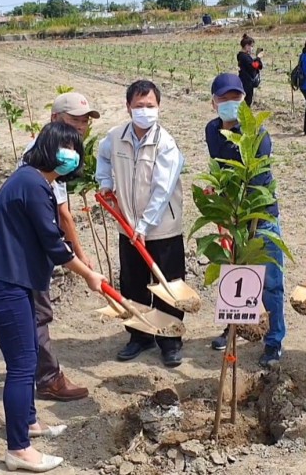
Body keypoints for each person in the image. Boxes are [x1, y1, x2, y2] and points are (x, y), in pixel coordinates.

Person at [0, 123, 107, 472]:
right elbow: (54, 245)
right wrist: (90, 274)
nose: (71, 154)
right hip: (2, 284)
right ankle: (18, 448)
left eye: (76, 148)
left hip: (11, 279)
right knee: (21, 364)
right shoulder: (32, 183)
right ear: (47, 147)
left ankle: (29, 422)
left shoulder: (31, 180)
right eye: (66, 146)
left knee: (28, 351)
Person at [96, 80, 186, 367]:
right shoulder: (115, 137)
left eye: (150, 106)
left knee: (168, 285)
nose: (145, 111)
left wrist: (145, 226)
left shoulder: (166, 144)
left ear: (159, 108)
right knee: (133, 283)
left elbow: (162, 190)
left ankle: (170, 340)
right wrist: (106, 183)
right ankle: (139, 336)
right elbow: (103, 157)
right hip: (128, 226)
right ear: (128, 108)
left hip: (162, 228)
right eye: (139, 106)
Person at [21, 93, 99, 402]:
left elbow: (63, 212)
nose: (81, 127)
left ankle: (35, 372)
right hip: (28, 253)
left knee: (36, 313)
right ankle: (48, 379)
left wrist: (80, 255)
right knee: (37, 313)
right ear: (55, 120)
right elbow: (58, 222)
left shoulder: (57, 152)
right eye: (74, 120)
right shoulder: (43, 157)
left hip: (33, 248)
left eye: (84, 121)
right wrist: (82, 264)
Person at [205, 74, 286, 367]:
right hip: (233, 217)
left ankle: (274, 340)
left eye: (236, 98)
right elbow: (219, 167)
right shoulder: (212, 130)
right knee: (236, 277)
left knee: (270, 284)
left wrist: (235, 207)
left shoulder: (257, 135)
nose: (230, 104)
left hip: (258, 217)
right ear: (213, 102)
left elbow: (257, 183)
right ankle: (235, 327)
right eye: (224, 99)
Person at [237, 34, 264, 107]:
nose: (252, 48)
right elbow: (253, 66)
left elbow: (257, 65)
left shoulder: (245, 56)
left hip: (247, 82)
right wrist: (258, 58)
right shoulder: (243, 56)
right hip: (245, 82)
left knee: (247, 101)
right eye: (251, 46)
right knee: (246, 102)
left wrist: (257, 60)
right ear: (246, 46)